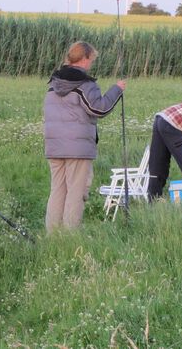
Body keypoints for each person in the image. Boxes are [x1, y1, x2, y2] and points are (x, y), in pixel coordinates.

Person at [43, 41, 126, 232]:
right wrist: (117, 89)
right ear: (84, 58)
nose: (91, 64)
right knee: (76, 192)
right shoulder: (85, 84)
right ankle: (71, 236)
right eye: (91, 60)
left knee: (57, 190)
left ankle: (53, 235)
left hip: (54, 147)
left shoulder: (54, 83)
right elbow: (98, 108)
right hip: (77, 149)